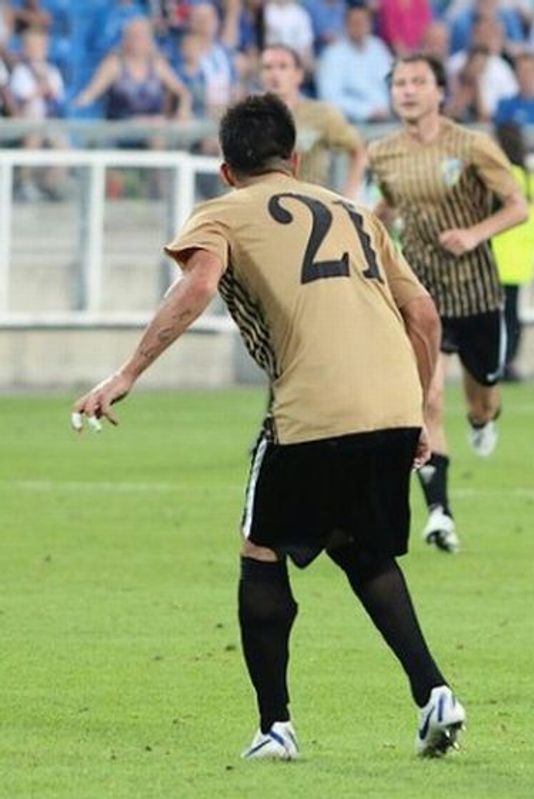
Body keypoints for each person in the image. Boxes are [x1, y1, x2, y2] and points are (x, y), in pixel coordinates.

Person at [70, 93, 466, 760]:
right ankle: (435, 694)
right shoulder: (358, 212)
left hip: (311, 406)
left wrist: (127, 372)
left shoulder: (224, 210)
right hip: (392, 403)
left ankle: (275, 726)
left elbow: (197, 286)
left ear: (228, 169)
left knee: (261, 548)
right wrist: (419, 409)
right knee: (359, 546)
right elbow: (423, 315)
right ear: (297, 158)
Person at [368, 54, 528, 554]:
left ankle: (484, 420)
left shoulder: (473, 146)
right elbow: (388, 206)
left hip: (476, 293)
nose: (408, 91)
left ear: (440, 91)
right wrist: (365, 234)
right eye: (399, 83)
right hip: (419, 291)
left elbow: (517, 205)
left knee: (482, 398)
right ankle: (440, 513)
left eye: (418, 82)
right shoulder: (383, 153)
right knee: (427, 399)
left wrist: (474, 234)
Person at [259, 44, 368, 198]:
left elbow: (358, 150)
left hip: (310, 206)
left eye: (283, 67)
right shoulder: (250, 117)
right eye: (267, 67)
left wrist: (349, 195)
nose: (274, 74)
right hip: (264, 205)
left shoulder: (321, 114)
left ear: (298, 75)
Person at [491, 121, 534, 382]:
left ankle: (496, 362)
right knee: (511, 314)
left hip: (497, 253)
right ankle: (509, 362)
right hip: (521, 256)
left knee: (494, 315)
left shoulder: (502, 176)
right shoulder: (531, 179)